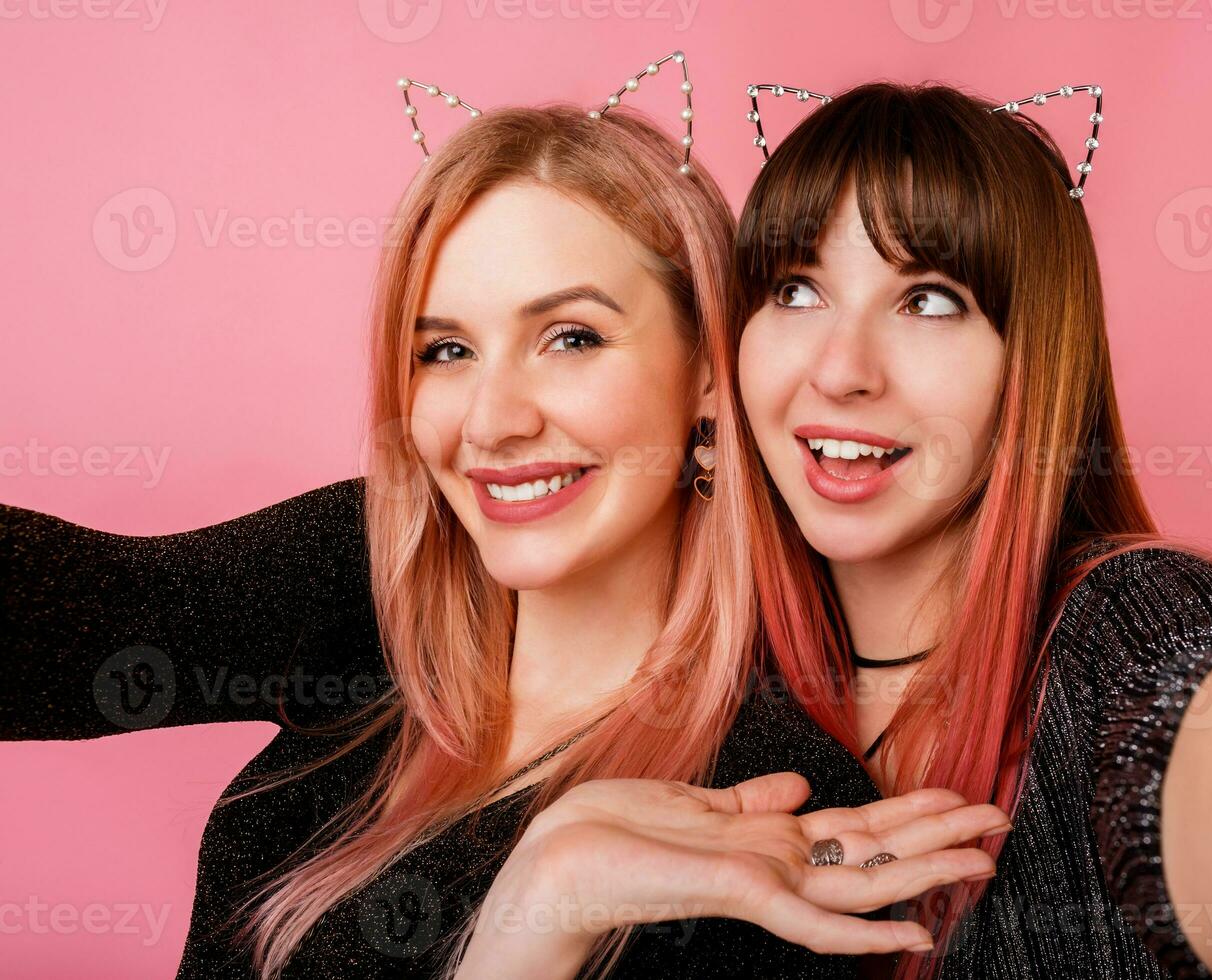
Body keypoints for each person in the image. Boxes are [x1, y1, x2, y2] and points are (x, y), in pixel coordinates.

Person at [0, 83, 1005, 979]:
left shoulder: (770, 816)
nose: (491, 421)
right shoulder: (373, 582)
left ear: (708, 369)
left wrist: (538, 923)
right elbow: (72, 617)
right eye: (446, 349)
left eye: (569, 337)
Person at [731, 81, 1212, 979]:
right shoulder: (719, 689)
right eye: (796, 290)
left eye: (928, 300)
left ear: (1033, 361)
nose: (841, 371)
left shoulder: (1122, 638)